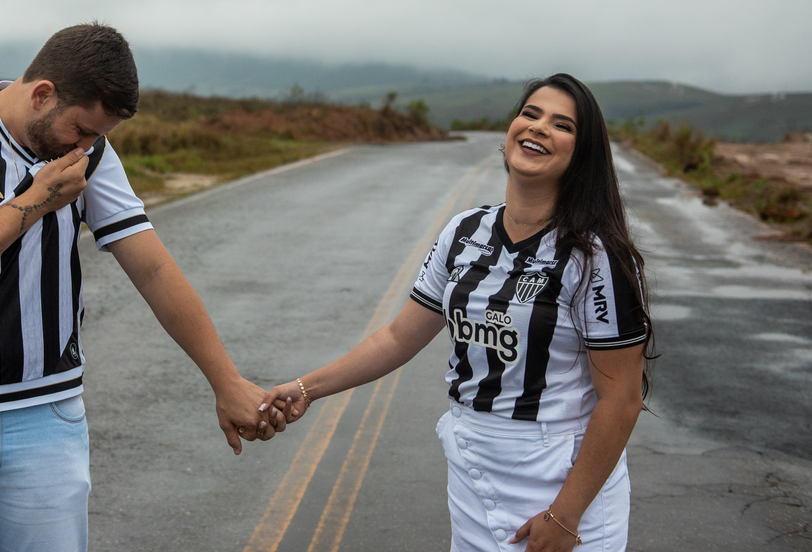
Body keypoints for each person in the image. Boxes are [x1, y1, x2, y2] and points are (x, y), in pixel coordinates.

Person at [0, 23, 283, 551]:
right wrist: (35, 201)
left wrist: (225, 381)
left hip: (44, 418)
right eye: (82, 130)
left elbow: (154, 269)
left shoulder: (90, 153)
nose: (88, 147)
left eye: (99, 137)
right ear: (43, 93)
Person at [267, 73, 654, 552]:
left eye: (561, 125)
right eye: (530, 114)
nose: (537, 129)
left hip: (560, 487)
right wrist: (306, 388)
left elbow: (621, 399)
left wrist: (566, 515)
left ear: (583, 152)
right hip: (473, 475)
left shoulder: (596, 257)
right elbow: (397, 338)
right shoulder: (464, 231)